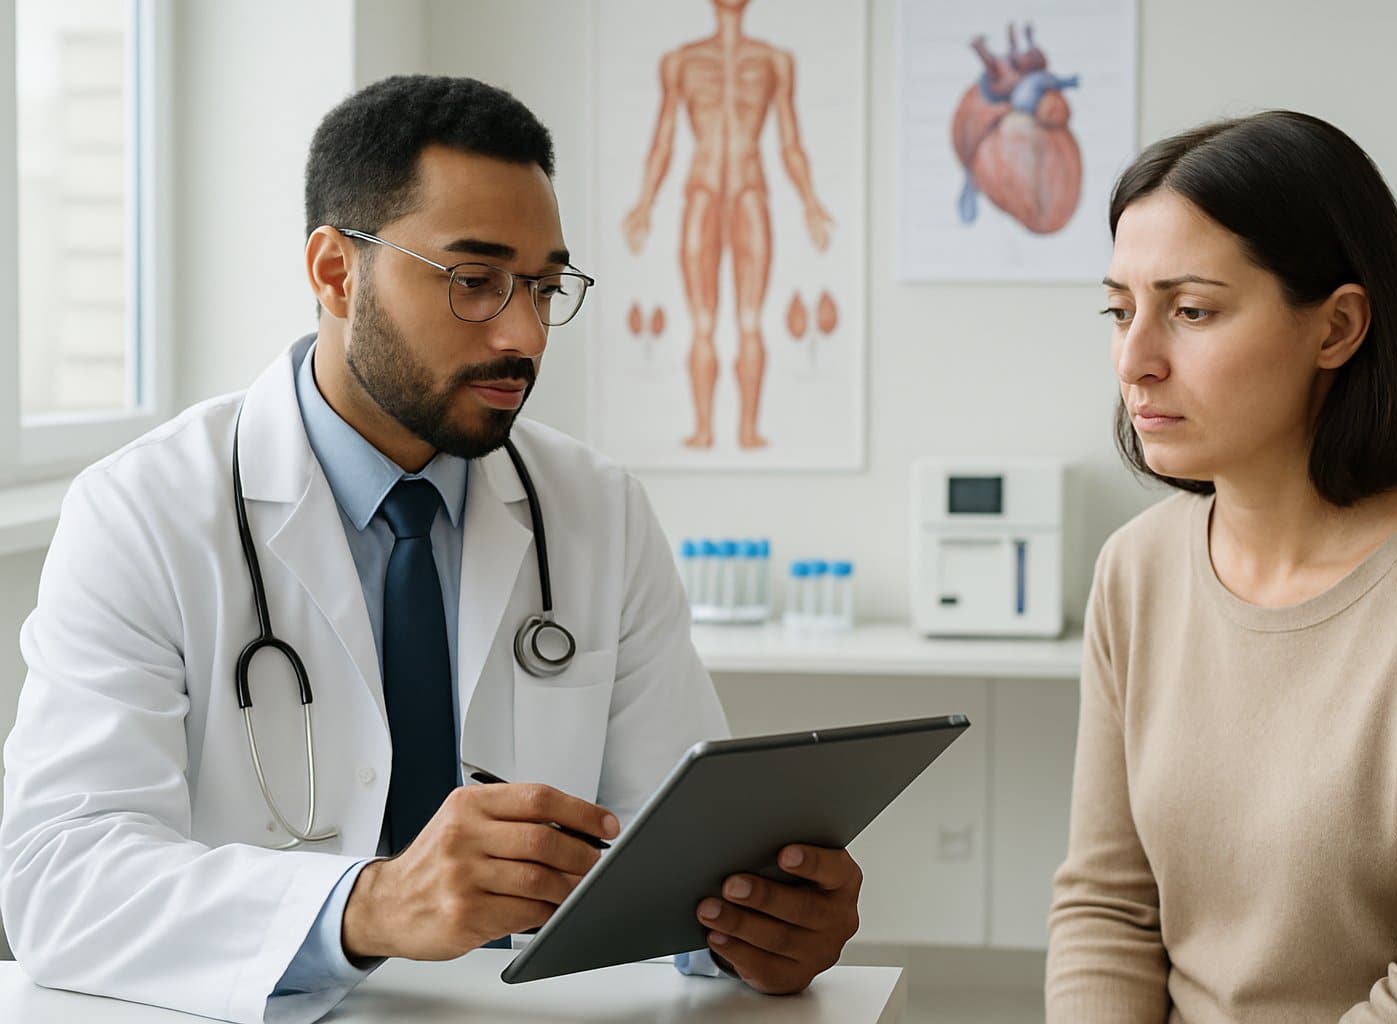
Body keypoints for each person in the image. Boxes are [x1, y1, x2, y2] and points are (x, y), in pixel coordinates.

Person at [0, 75, 862, 1024]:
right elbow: (59, 878)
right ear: (335, 272)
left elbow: (677, 850)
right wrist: (368, 908)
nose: (523, 333)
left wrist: (754, 930)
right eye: (473, 280)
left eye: (541, 286)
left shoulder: (596, 509)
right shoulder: (143, 511)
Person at [1045, 109, 1397, 1022]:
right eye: (1121, 310)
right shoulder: (1138, 571)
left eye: (1190, 311)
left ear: (1338, 328)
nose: (1134, 359)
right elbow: (1108, 908)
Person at [622, 0, 834, 451]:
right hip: (700, 192)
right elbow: (663, 139)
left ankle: (747, 430)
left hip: (750, 190)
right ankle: (704, 429)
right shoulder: (680, 61)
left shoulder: (775, 61)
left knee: (751, 321)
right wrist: (644, 204)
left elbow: (790, 141)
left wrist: (812, 203)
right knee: (702, 323)